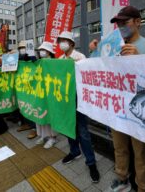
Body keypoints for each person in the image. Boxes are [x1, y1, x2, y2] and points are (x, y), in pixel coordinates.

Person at [97, 6, 145, 192]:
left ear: (138, 22)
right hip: (118, 107)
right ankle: (122, 177)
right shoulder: (112, 48)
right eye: (118, 24)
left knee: (140, 151)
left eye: (124, 22)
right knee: (119, 147)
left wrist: (139, 58)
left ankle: (143, 186)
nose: (120, 26)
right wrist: (97, 52)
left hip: (140, 111)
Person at [57, 31, 100, 183]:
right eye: (60, 41)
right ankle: (74, 151)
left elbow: (86, 75)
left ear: (72, 44)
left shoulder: (80, 57)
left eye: (65, 41)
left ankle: (91, 163)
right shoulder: (59, 59)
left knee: (83, 131)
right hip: (65, 100)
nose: (62, 43)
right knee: (69, 127)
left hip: (79, 99)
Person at [34, 41, 58, 149]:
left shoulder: (54, 62)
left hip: (50, 93)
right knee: (40, 114)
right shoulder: (38, 62)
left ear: (49, 52)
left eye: (43, 50)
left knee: (49, 115)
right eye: (40, 51)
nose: (41, 52)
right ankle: (43, 135)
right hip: (39, 93)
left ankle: (52, 137)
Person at [15, 40, 38, 139]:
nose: (22, 50)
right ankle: (27, 124)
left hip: (32, 87)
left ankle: (35, 128)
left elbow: (36, 64)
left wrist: (31, 55)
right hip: (21, 86)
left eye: (23, 48)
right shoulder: (19, 59)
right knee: (23, 105)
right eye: (20, 48)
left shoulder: (32, 57)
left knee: (32, 106)